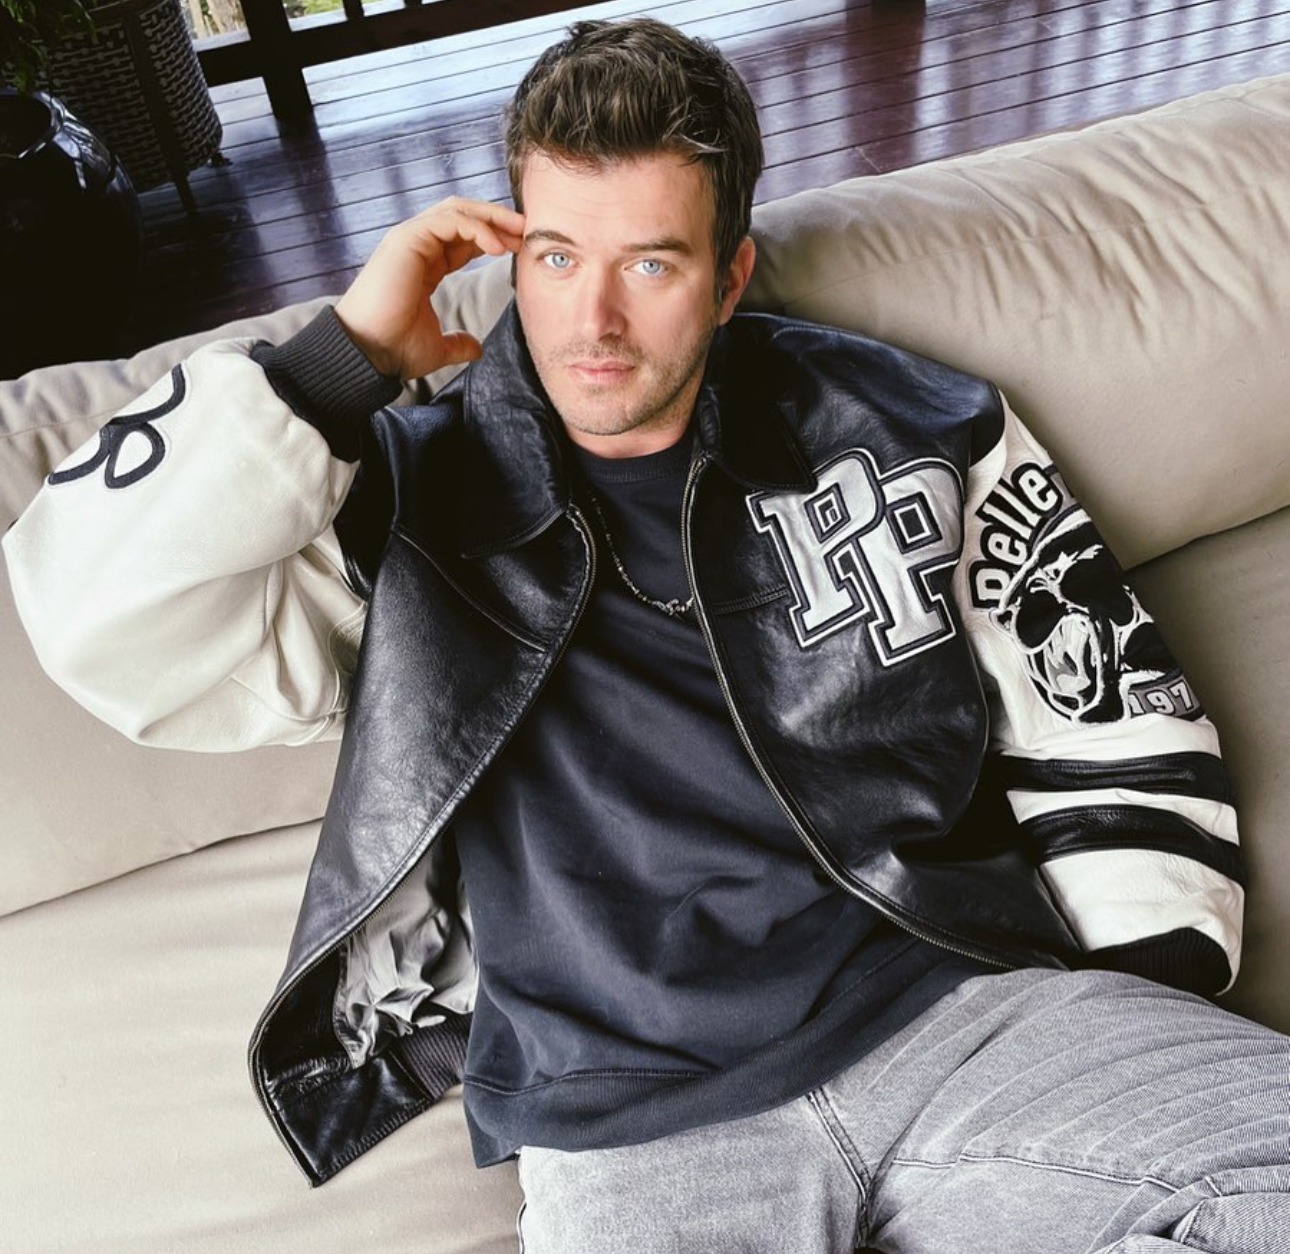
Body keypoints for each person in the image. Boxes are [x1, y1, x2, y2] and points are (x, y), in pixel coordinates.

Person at [5, 17, 1286, 1254]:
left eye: (652, 265)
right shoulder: (399, 496)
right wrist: (338, 364)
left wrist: (1140, 1002)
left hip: (959, 1015)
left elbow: (1098, 695)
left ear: (729, 278)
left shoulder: (907, 424)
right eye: (557, 257)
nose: (593, 325)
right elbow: (95, 615)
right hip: (632, 1120)